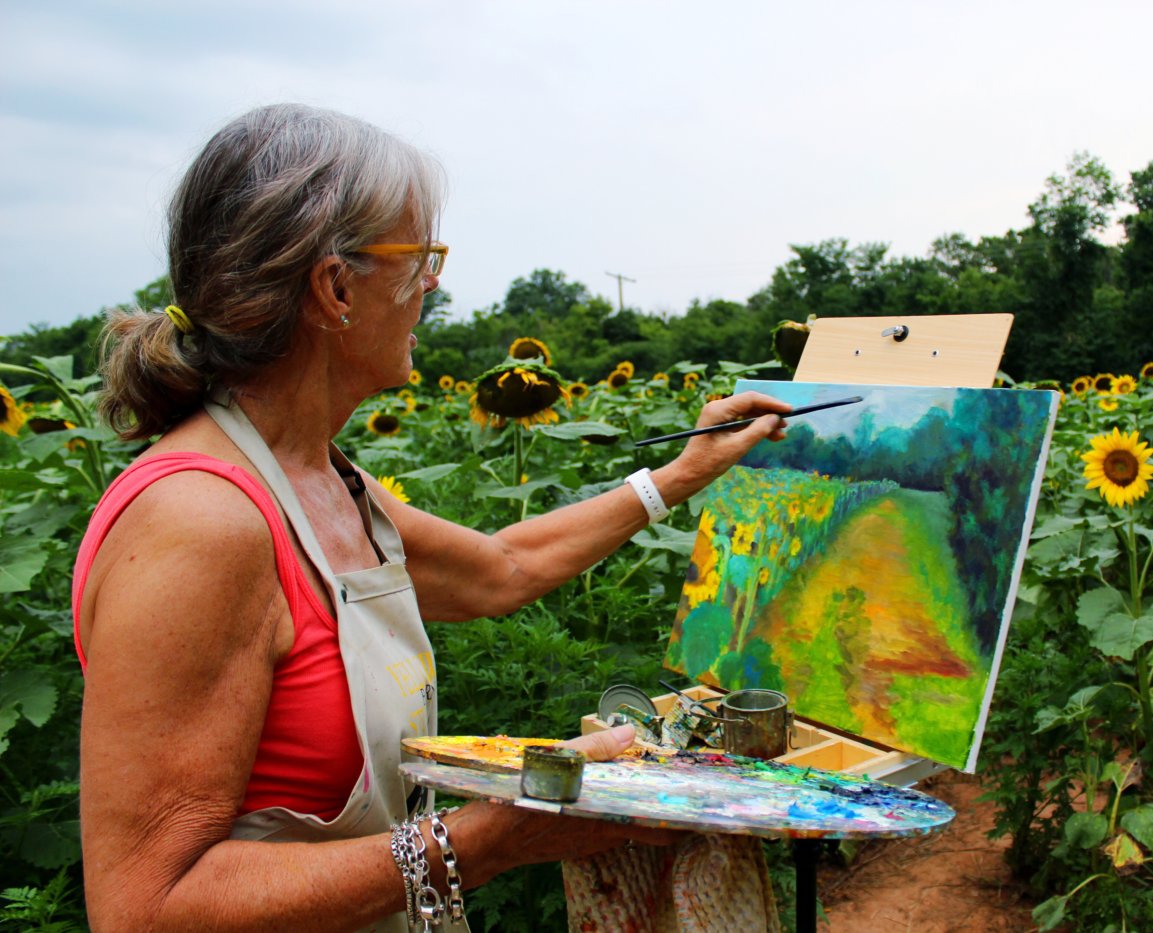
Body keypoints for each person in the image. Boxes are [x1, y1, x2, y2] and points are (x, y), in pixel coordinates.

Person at [72, 103, 790, 932]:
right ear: (334, 287)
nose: (436, 282)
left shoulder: (325, 479)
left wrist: (683, 472)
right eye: (421, 255)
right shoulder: (201, 523)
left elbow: (500, 569)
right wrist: (496, 836)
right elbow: (143, 909)